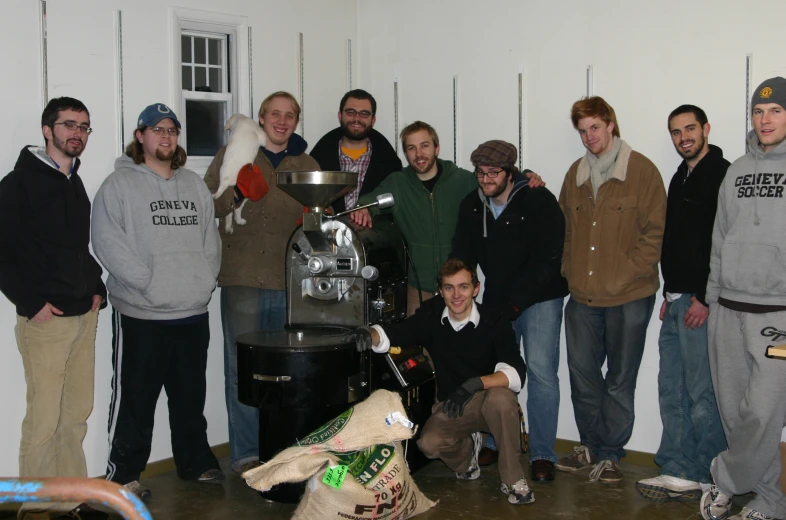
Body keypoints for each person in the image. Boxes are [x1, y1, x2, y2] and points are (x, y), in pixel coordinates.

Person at [92, 103, 223, 501]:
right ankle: (124, 474)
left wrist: (204, 282)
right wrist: (147, 284)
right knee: (136, 401)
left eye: (172, 130)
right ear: (140, 137)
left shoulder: (194, 185)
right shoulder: (118, 186)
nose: (165, 136)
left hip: (191, 312)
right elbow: (107, 243)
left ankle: (195, 462)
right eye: (156, 129)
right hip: (141, 314)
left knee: (189, 397)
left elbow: (210, 240)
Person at [0, 97, 106, 520]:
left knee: (75, 417)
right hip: (45, 321)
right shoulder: (18, 184)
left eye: (83, 126)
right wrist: (30, 302)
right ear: (47, 131)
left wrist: (96, 287)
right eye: (68, 125)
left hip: (84, 315)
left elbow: (75, 249)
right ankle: (37, 507)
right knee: (43, 422)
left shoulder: (73, 181)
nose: (76, 133)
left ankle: (71, 500)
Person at [204, 91, 320, 474]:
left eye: (289, 115)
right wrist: (237, 191)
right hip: (243, 280)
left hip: (291, 284)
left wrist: (320, 212)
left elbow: (319, 221)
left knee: (288, 371)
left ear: (296, 122)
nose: (282, 121)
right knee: (243, 368)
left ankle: (283, 450)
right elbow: (209, 205)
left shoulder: (306, 162)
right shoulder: (236, 153)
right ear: (261, 117)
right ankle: (246, 454)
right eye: (275, 114)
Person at [556, 96, 666, 484]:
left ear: (610, 124)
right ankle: (588, 445)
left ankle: (610, 454)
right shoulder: (575, 175)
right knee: (582, 374)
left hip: (629, 297)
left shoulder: (642, 171)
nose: (589, 137)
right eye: (583, 131)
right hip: (582, 298)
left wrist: (624, 276)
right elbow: (565, 232)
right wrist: (569, 272)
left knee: (620, 379)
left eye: (595, 128)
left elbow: (654, 236)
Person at [360, 258, 533, 505]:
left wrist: (475, 383)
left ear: (476, 289)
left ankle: (513, 480)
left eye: (463, 287)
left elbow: (516, 373)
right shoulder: (431, 315)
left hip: (488, 400)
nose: (456, 295)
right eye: (449, 287)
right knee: (428, 444)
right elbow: (396, 333)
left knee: (502, 398)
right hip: (452, 404)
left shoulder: (494, 319)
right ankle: (467, 457)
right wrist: (369, 333)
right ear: (441, 291)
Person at [451, 140, 568, 482]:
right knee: (497, 368)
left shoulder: (538, 200)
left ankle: (543, 453)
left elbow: (548, 260)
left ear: (511, 171)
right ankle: (495, 441)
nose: (485, 179)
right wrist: (460, 292)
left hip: (541, 297)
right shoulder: (473, 205)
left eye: (493, 173)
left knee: (542, 373)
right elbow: (462, 253)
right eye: (480, 173)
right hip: (499, 298)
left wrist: (516, 302)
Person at [700, 77, 786, 520]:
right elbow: (719, 239)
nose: (765, 119)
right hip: (728, 310)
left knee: (763, 415)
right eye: (758, 111)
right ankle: (770, 500)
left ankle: (725, 476)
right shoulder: (735, 170)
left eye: (774, 111)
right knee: (734, 416)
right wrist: (714, 300)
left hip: (778, 314)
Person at [351, 121, 544, 315]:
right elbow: (370, 201)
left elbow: (496, 180)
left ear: (437, 148)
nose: (419, 154)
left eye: (425, 145)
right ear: (406, 153)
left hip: (459, 288)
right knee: (420, 344)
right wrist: (362, 208)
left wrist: (524, 177)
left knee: (461, 344)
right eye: (412, 148)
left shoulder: (462, 180)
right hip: (418, 290)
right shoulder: (397, 183)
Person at [635, 105, 728, 502]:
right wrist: (667, 292)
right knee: (670, 387)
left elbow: (724, 242)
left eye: (690, 129)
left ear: (706, 129)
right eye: (676, 132)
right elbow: (676, 239)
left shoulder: (721, 175)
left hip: (700, 302)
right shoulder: (680, 176)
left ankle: (708, 472)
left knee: (701, 391)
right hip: (675, 299)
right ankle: (676, 467)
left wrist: (706, 298)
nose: (683, 137)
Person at [309, 89, 402, 214]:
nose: (357, 118)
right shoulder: (317, 158)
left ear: (373, 120)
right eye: (350, 112)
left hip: (376, 232)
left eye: (364, 113)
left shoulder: (390, 163)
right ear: (340, 115)